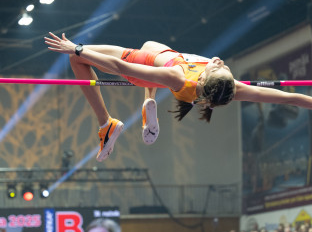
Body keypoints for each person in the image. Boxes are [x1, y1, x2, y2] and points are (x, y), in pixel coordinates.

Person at [45, 34, 312, 161]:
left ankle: (106, 123)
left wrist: (77, 48)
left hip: (144, 64)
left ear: (204, 79)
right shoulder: (232, 89)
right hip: (165, 59)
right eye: (225, 68)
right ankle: (148, 105)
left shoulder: (180, 77)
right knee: (151, 50)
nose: (220, 61)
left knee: (76, 61)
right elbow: (289, 99)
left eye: (218, 66)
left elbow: (120, 67)